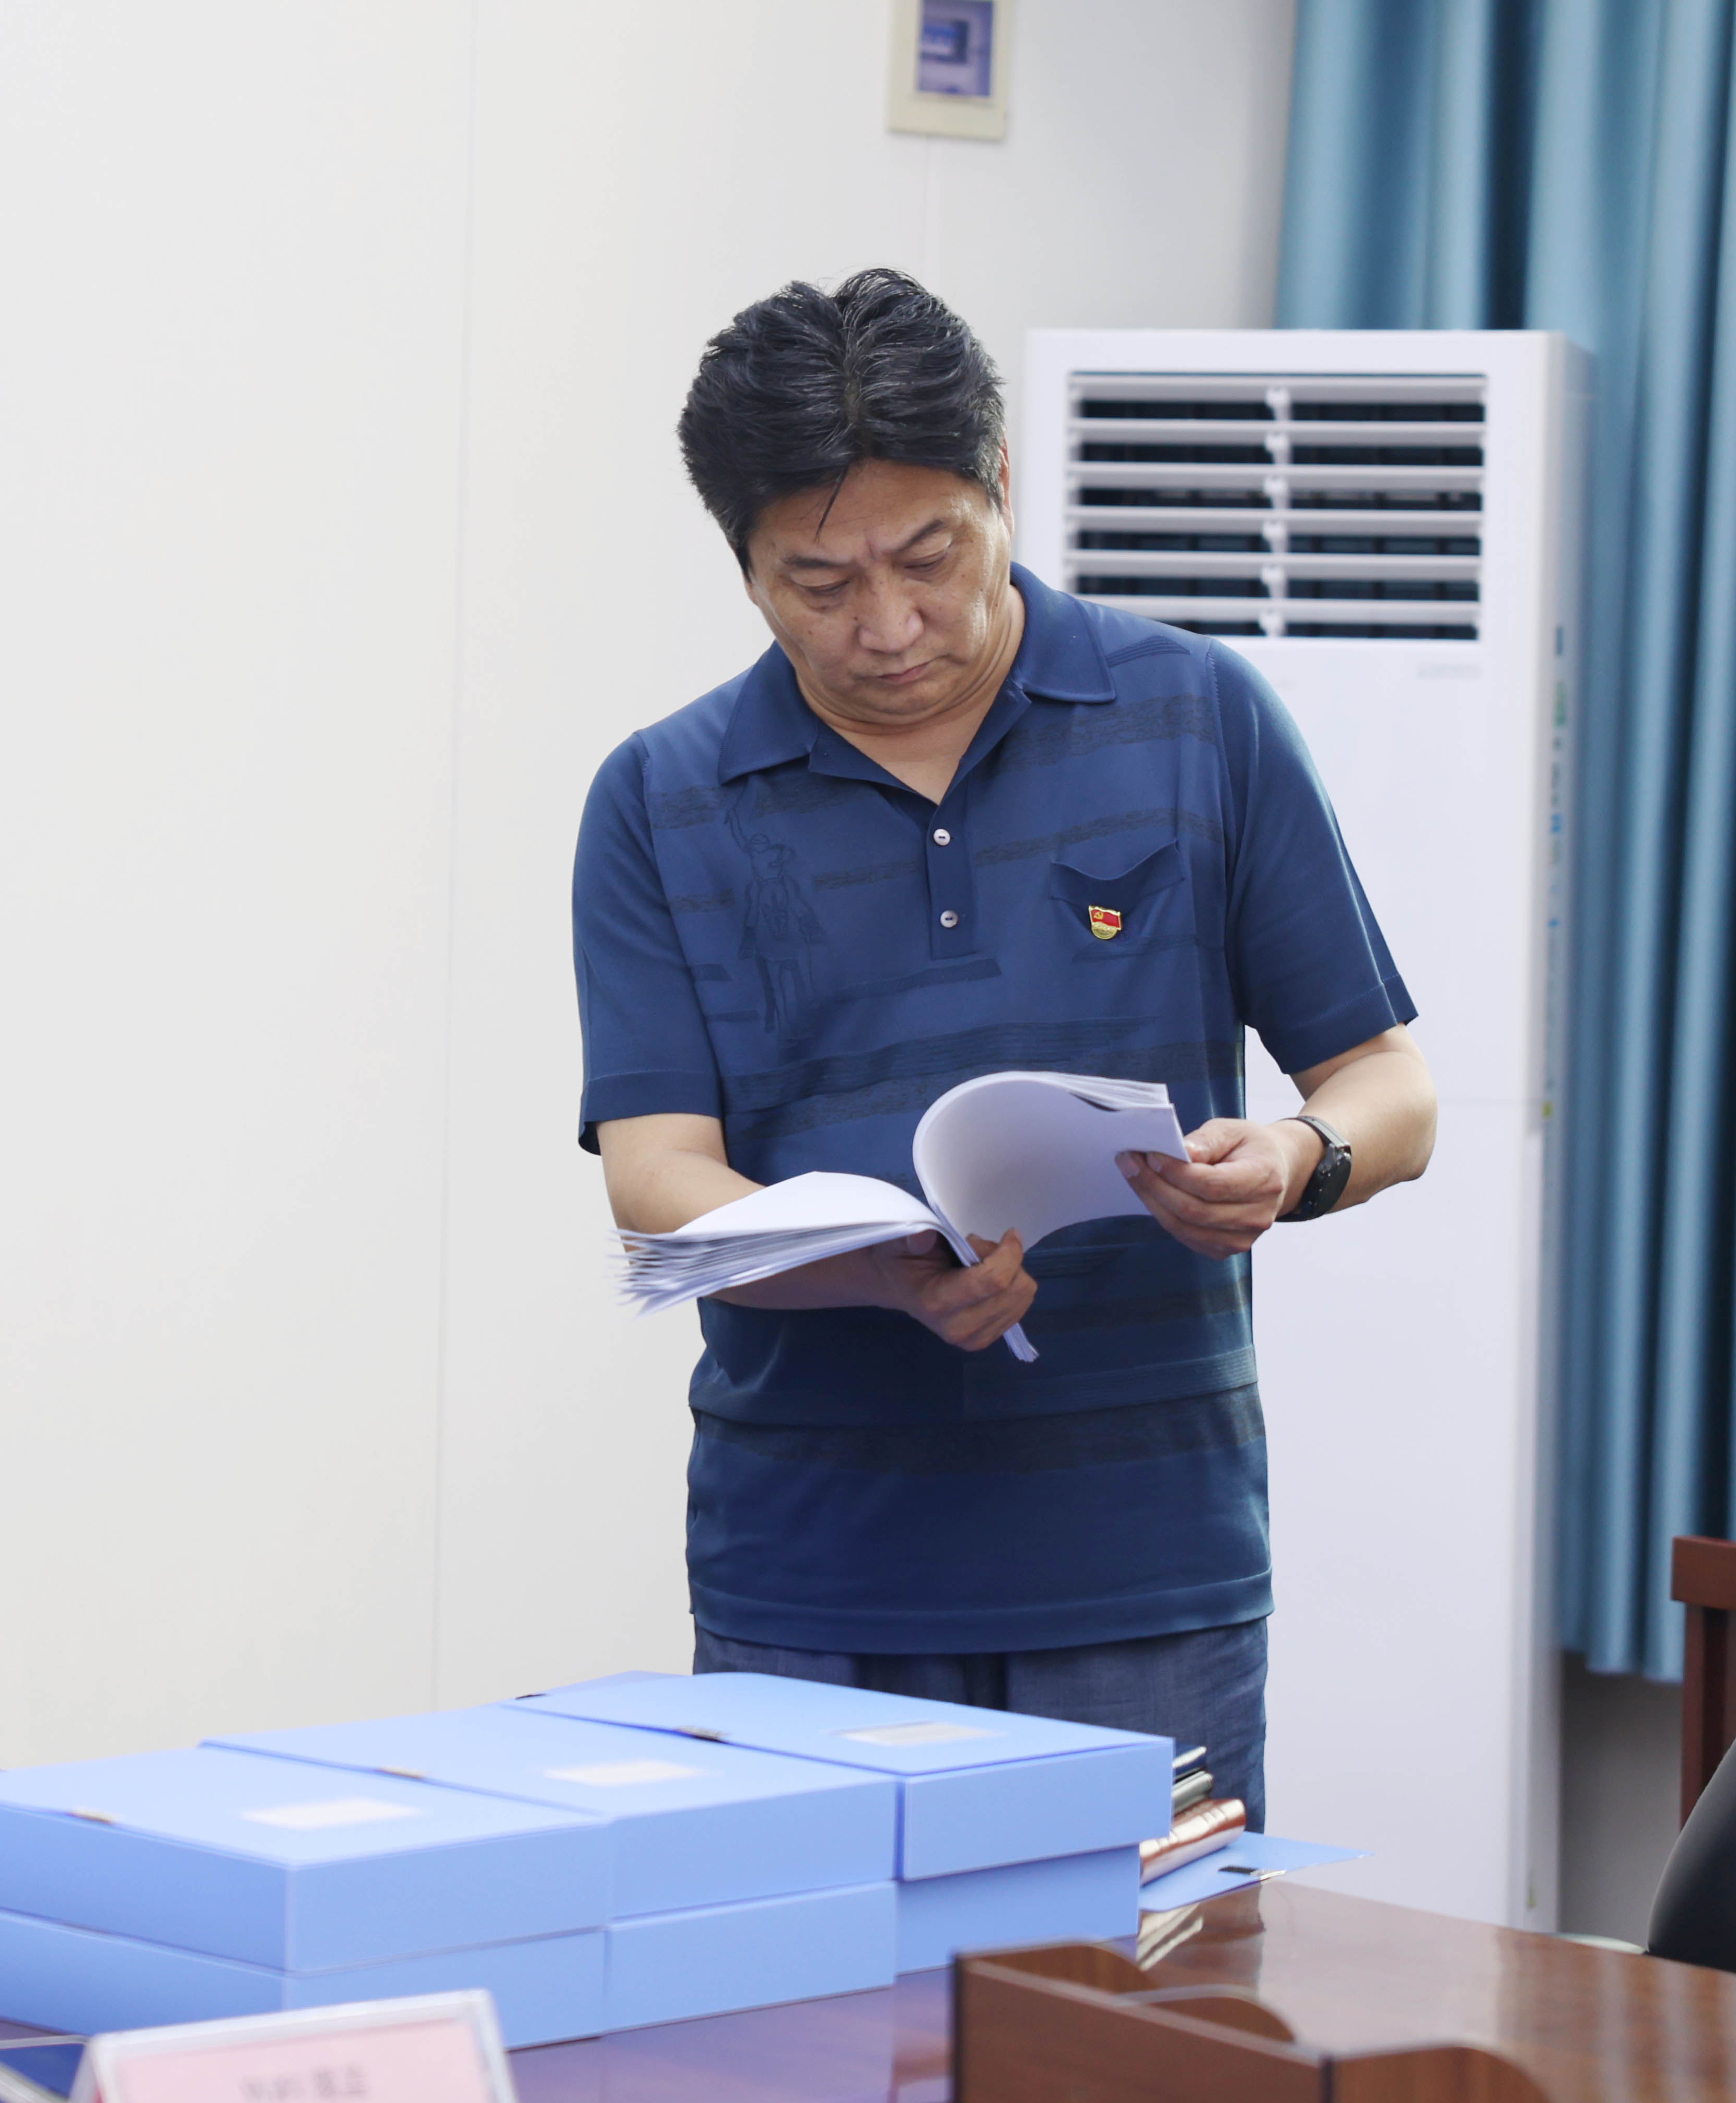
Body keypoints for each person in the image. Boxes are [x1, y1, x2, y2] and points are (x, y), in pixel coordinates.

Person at [572, 271, 1437, 1827]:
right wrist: (880, 1269)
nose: (889, 625)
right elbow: (657, 1181)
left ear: (1002, 487)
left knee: (1134, 1983)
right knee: (817, 1983)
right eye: (819, 582)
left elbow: (1391, 1086)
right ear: (744, 566)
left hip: (1146, 1562)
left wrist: (1299, 1159)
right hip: (808, 1570)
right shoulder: (661, 799)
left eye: (930, 557)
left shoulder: (1198, 718)